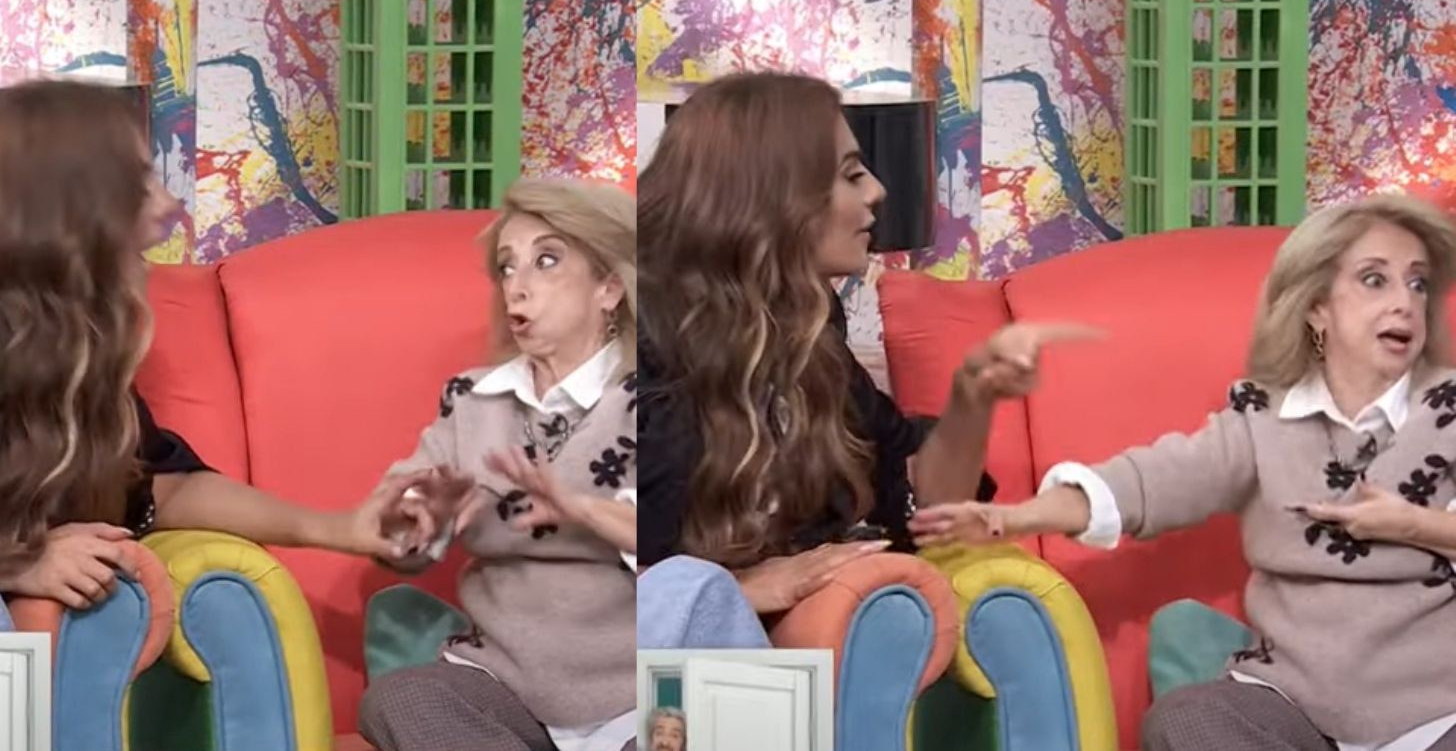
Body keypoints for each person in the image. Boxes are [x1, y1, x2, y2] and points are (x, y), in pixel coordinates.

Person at [912, 195, 1456, 750]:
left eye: (1417, 284)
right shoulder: (1261, 420)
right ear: (1317, 305)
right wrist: (1016, 518)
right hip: (1293, 704)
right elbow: (1152, 482)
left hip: (1433, 715)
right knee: (1184, 720)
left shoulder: (1449, 411)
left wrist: (1413, 525)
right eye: (1374, 280)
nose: (1404, 303)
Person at [636, 71, 1092, 645]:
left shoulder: (806, 326)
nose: (876, 190)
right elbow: (572, 580)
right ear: (773, 197)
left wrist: (971, 399)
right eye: (851, 174)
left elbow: (925, 501)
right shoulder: (636, 343)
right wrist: (740, 587)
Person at [0, 79, 429, 615]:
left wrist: (341, 528)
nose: (169, 205)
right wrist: (19, 563)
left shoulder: (77, 353)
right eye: (139, 184)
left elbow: (163, 490)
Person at [358, 178, 637, 751]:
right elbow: (397, 530)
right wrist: (416, 518)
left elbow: (699, 548)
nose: (518, 286)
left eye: (546, 261)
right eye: (507, 268)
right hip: (502, 683)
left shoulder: (658, 400)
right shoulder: (471, 398)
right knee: (398, 699)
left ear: (609, 287)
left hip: (633, 691)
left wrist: (588, 512)